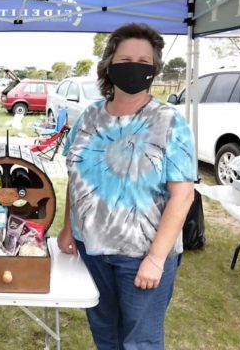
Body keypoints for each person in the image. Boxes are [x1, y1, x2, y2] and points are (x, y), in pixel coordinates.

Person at [58, 23, 196, 349]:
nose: (134, 66)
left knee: (140, 341)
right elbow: (75, 179)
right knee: (105, 334)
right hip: (92, 250)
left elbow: (183, 195)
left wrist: (156, 259)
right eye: (125, 59)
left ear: (154, 69)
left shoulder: (169, 121)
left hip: (141, 255)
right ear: (109, 64)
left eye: (144, 62)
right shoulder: (89, 117)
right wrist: (68, 228)